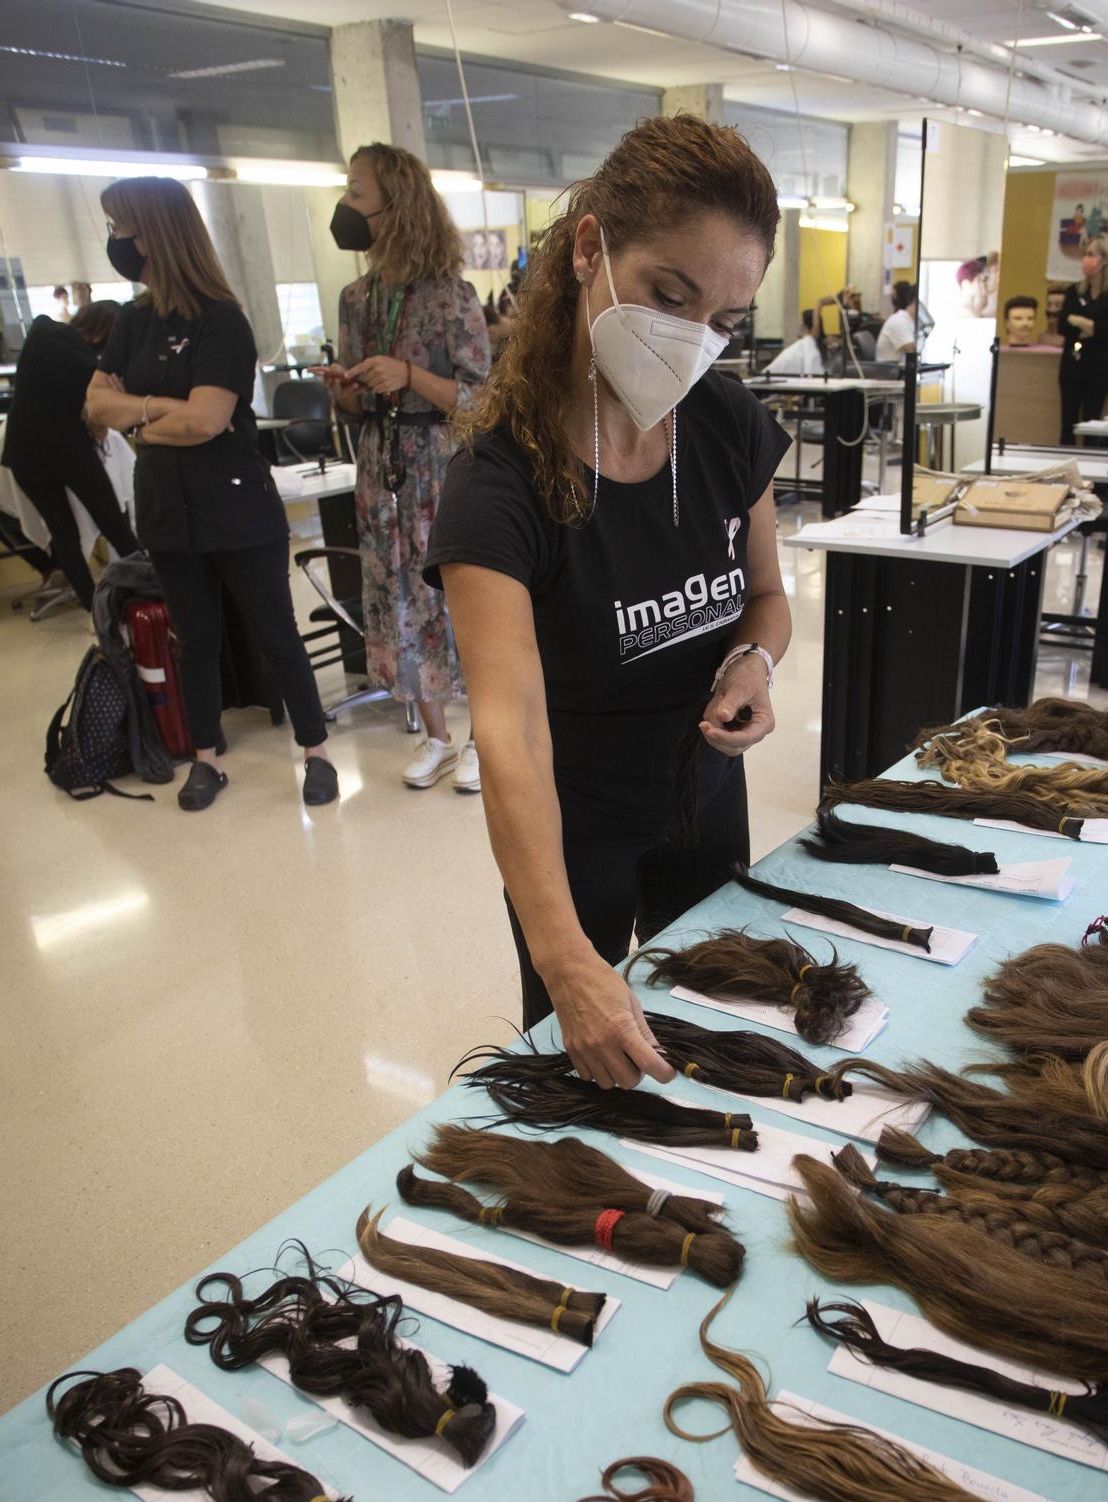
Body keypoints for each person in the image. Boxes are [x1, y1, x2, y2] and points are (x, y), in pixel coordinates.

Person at [423, 113, 792, 1080]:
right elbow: (509, 735)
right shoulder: (499, 488)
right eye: (668, 296)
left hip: (706, 798)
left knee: (723, 1033)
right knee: (591, 1063)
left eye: (723, 321)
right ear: (590, 248)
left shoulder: (726, 425)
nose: (692, 341)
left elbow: (765, 600)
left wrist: (753, 663)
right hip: (572, 833)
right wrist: (564, 957)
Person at [87, 176, 337, 812]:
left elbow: (211, 420)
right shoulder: (132, 321)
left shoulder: (221, 321)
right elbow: (96, 406)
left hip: (237, 509)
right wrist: (162, 408)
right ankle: (206, 757)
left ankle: (316, 751)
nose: (115, 241)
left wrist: (138, 416)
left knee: (275, 633)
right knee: (194, 640)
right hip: (168, 509)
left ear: (157, 233)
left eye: (122, 228)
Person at [322, 143, 491, 792]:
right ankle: (435, 734)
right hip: (379, 464)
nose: (346, 204)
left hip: (442, 467)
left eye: (358, 192)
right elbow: (354, 401)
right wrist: (345, 387)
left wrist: (413, 374)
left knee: (456, 602)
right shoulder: (355, 297)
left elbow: (487, 399)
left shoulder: (450, 297)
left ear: (398, 207)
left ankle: (481, 736)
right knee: (395, 598)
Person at [2, 300, 140, 611]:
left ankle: (94, 608)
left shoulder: (41, 330)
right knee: (114, 524)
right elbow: (100, 422)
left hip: (23, 453)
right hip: (68, 450)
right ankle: (151, 589)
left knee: (63, 533)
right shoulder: (90, 365)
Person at [1056, 235, 1108, 445]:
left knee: (1091, 423)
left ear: (1105, 259)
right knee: (1068, 423)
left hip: (1099, 367)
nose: (1086, 259)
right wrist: (1089, 325)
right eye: (1085, 255)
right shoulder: (1074, 291)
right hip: (1072, 364)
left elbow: (1107, 330)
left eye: (1091, 254)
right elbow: (1063, 326)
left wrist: (1078, 320)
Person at [768, 308, 824, 374]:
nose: (799, 326)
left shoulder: (807, 344)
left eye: (800, 323)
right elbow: (814, 374)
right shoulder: (807, 345)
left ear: (804, 326)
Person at [875, 280, 919, 361]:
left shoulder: (910, 321)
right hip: (890, 370)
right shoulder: (899, 321)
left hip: (900, 369)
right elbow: (913, 350)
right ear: (915, 301)